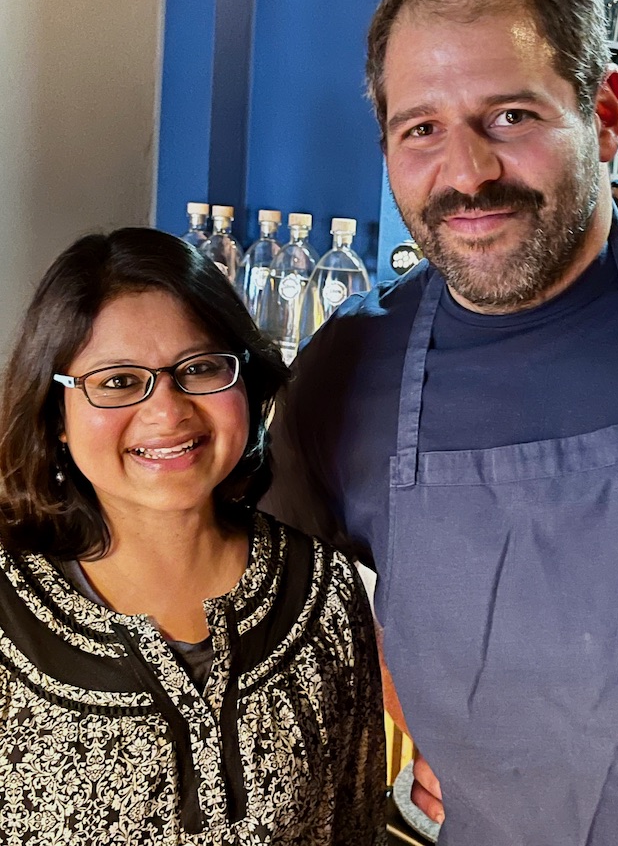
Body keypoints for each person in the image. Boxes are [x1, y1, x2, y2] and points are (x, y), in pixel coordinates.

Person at [261, 0, 618, 846]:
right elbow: (287, 594)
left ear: (605, 115)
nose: (467, 174)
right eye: (421, 130)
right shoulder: (349, 366)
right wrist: (409, 703)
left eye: (510, 116)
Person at [0, 227, 386, 845]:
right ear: (57, 415)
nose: (168, 412)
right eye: (118, 381)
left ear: (246, 382)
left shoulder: (324, 593)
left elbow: (355, 827)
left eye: (200, 368)